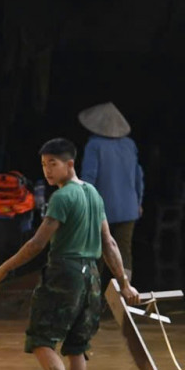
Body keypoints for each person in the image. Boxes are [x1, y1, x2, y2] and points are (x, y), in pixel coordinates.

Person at [0, 138, 140, 370]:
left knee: (40, 340)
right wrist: (124, 283)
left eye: (53, 164)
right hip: (91, 278)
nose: (47, 170)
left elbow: (36, 244)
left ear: (70, 164)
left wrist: (3, 269)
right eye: (44, 165)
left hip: (65, 273)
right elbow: (108, 243)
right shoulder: (94, 194)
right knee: (76, 346)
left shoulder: (62, 198)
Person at [79, 102, 145, 274]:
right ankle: (126, 295)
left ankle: (94, 297)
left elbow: (88, 179)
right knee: (124, 252)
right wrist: (138, 202)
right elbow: (139, 177)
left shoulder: (94, 145)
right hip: (129, 208)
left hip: (101, 209)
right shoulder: (130, 145)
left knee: (97, 252)